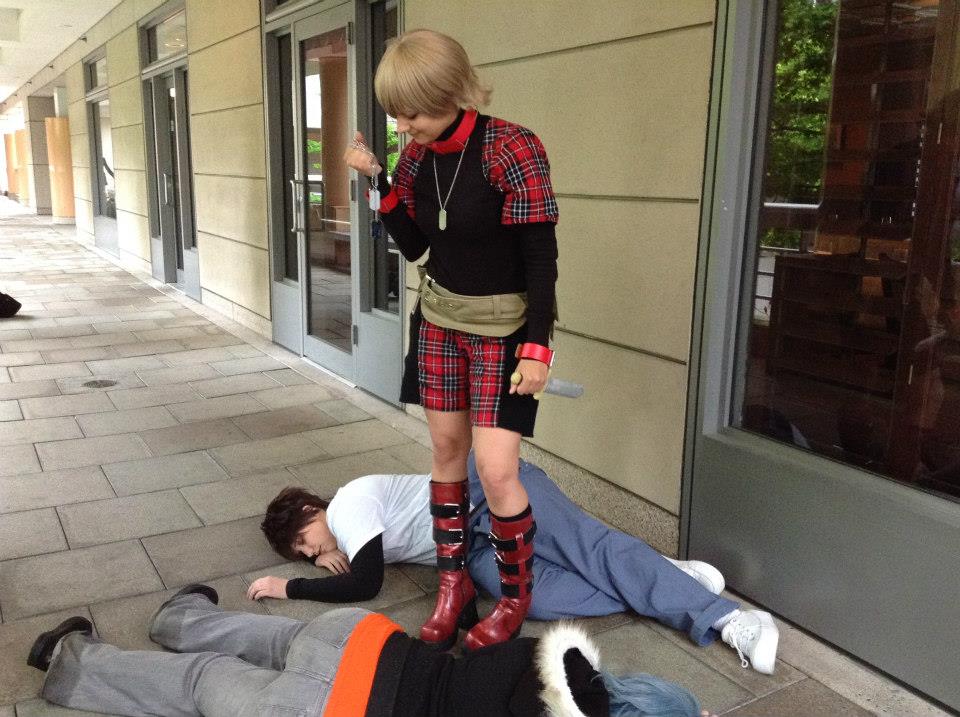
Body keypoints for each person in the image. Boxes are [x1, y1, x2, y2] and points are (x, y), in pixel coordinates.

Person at [342, 28, 559, 651]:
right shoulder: (415, 159)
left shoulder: (511, 148)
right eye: (396, 114)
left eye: (411, 113)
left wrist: (538, 347)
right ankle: (453, 585)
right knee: (444, 451)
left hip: (504, 331)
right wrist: (378, 181)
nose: (403, 126)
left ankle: (514, 599)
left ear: (448, 93)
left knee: (496, 469)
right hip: (439, 322)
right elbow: (416, 245)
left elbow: (540, 257)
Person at [251, 456, 780, 674]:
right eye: (302, 556)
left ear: (311, 509)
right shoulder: (345, 533)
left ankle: (725, 618)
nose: (312, 554)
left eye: (304, 541)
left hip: (491, 490)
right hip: (474, 548)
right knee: (540, 600)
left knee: (585, 548)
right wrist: (326, 556)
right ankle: (665, 576)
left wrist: (290, 587)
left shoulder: (348, 505)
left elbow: (365, 583)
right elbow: (362, 566)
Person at [28, 584, 714, 717]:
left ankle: (179, 616)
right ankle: (71, 662)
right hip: (339, 709)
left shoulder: (563, 659)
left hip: (367, 642)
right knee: (202, 684)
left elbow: (480, 660)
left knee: (275, 637)